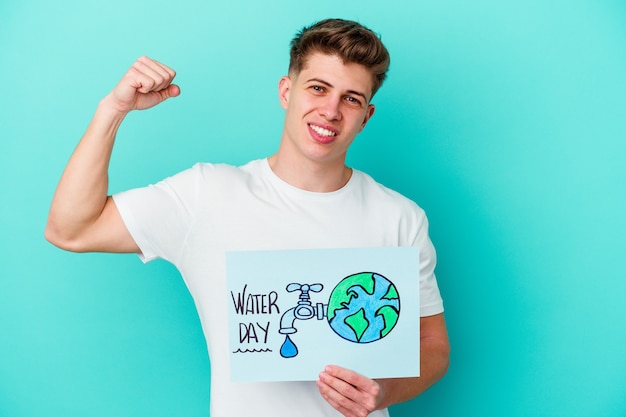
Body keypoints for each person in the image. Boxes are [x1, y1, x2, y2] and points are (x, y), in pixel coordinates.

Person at [45, 18, 450, 417]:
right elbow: (71, 229)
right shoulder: (208, 194)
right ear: (286, 92)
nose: (330, 110)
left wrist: (385, 392)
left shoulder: (399, 217)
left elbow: (432, 342)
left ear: (366, 116)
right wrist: (113, 110)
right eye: (318, 88)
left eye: (351, 98)